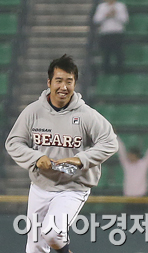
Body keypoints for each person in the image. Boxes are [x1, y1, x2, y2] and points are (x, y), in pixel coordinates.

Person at [5, 55, 118, 253]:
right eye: (59, 80)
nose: (63, 87)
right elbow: (13, 142)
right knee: (34, 249)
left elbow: (110, 142)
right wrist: (36, 158)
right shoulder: (33, 112)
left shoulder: (85, 115)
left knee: (52, 232)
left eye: (69, 81)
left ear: (75, 83)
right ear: (49, 82)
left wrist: (80, 159)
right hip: (40, 186)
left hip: (72, 187)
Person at [117, 129, 148, 197]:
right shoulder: (127, 164)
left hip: (141, 198)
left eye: (131, 155)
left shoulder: (143, 164)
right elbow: (121, 150)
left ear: (136, 155)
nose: (129, 156)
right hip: (128, 198)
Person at [93, 0, 129, 74]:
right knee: (106, 54)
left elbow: (125, 20)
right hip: (105, 33)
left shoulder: (120, 6)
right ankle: (106, 71)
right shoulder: (101, 7)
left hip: (117, 33)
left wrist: (116, 15)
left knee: (118, 53)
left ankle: (120, 71)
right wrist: (106, 15)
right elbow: (96, 20)